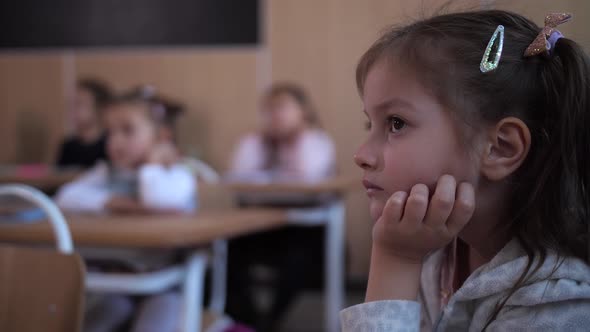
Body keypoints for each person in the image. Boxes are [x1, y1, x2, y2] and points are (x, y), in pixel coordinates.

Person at [341, 10, 590, 331]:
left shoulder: (556, 305)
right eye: (369, 124)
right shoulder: (437, 247)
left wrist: (395, 262)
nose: (361, 155)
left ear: (500, 148)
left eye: (396, 123)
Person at [55, 86, 196, 332]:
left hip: (167, 285)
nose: (115, 141)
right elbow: (65, 197)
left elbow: (157, 199)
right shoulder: (106, 173)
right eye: (110, 132)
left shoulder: (176, 174)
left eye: (127, 131)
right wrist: (119, 203)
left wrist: (152, 163)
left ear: (162, 136)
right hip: (115, 283)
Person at [226, 83, 336, 331]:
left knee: (298, 260)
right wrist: (262, 142)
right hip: (261, 225)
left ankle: (270, 319)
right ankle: (248, 320)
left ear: (304, 112)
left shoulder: (315, 140)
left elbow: (309, 176)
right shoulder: (256, 142)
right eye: (269, 109)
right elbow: (237, 176)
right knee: (226, 254)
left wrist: (295, 139)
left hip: (304, 227)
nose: (275, 115)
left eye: (282, 107)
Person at [56, 78, 112, 169]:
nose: (72, 110)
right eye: (70, 105)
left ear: (99, 107)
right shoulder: (68, 146)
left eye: (79, 104)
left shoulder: (110, 144)